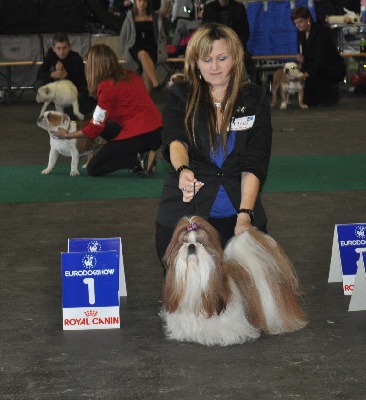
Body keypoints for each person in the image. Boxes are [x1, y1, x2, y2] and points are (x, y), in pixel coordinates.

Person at [155, 23, 272, 261]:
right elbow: (175, 139)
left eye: (222, 58)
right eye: (206, 59)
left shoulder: (255, 99)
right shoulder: (180, 95)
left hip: (240, 214)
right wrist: (183, 169)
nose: (215, 67)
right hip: (188, 213)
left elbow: (255, 160)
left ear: (235, 58)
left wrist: (245, 213)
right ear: (196, 62)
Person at [55, 44, 162, 177]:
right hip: (155, 133)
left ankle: (141, 158)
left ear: (94, 66)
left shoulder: (107, 87)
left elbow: (95, 128)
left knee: (94, 168)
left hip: (140, 134)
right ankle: (142, 156)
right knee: (107, 129)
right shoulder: (130, 75)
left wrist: (67, 135)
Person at [291, 6, 346, 106]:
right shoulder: (301, 33)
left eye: (300, 22)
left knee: (313, 78)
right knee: (309, 100)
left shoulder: (320, 33)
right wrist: (301, 57)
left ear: (308, 19)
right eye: (296, 24)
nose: (298, 26)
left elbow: (321, 61)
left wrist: (305, 75)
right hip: (315, 67)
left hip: (331, 67)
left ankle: (331, 95)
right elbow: (306, 54)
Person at [34, 32, 96, 116]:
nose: (62, 52)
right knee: (39, 84)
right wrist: (52, 74)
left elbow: (82, 81)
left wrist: (66, 74)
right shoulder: (51, 54)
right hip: (60, 88)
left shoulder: (76, 58)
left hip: (74, 88)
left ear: (69, 48)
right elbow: (40, 73)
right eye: (58, 48)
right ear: (53, 48)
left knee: (71, 112)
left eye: (64, 48)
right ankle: (58, 103)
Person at [119, 0, 167, 92]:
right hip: (135, 46)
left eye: (144, 1)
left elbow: (162, 36)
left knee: (146, 69)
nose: (142, 3)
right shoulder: (130, 17)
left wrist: (163, 48)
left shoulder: (155, 17)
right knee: (143, 54)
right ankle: (156, 83)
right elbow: (123, 36)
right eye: (139, 1)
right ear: (135, 2)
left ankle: (146, 99)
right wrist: (123, 51)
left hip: (152, 47)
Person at [202, 0, 253, 81]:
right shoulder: (209, 8)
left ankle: (242, 83)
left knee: (245, 59)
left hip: (235, 47)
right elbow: (205, 32)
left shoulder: (239, 8)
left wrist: (235, 47)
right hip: (213, 48)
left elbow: (244, 32)